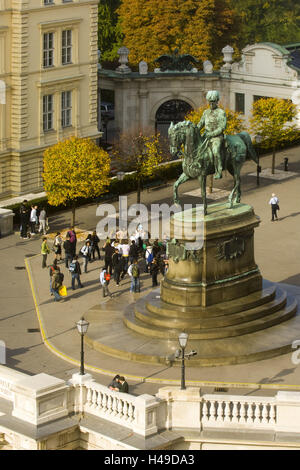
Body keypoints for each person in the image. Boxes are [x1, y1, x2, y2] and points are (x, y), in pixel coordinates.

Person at [197, 90, 227, 179]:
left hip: (217, 137)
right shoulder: (205, 112)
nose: (211, 104)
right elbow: (200, 124)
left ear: (217, 101)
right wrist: (194, 129)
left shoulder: (221, 112)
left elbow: (222, 127)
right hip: (206, 135)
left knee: (215, 151)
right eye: (210, 102)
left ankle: (219, 170)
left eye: (213, 102)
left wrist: (212, 134)